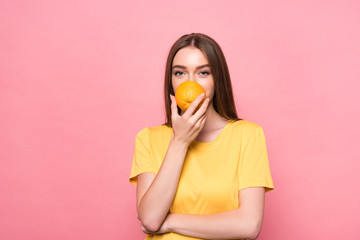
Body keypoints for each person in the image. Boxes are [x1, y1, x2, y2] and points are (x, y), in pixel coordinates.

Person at [129, 33, 275, 240]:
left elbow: (249, 225)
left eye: (203, 73)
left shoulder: (248, 135)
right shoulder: (148, 139)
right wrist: (179, 141)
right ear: (170, 81)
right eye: (180, 73)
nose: (191, 83)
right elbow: (151, 219)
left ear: (217, 79)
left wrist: (170, 222)